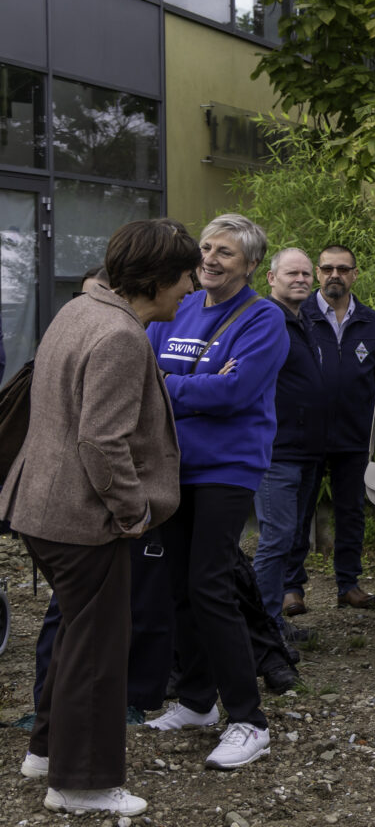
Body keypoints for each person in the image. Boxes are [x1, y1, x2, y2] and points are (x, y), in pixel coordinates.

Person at [3, 218, 197, 816]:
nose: (191, 288)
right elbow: (101, 440)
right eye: (186, 276)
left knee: (77, 640)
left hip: (40, 508)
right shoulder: (119, 335)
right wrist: (133, 509)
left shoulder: (78, 309)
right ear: (158, 278)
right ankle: (82, 783)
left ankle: (47, 751)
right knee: (97, 653)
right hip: (82, 519)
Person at [144, 213, 289, 770]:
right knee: (179, 585)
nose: (208, 258)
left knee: (210, 584)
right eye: (206, 247)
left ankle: (249, 720)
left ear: (250, 265)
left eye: (225, 252)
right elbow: (143, 373)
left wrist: (167, 383)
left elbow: (237, 393)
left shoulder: (263, 317)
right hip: (172, 465)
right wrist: (199, 382)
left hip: (227, 468)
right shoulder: (177, 307)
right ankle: (199, 701)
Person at [290, 244, 375, 616]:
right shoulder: (300, 316)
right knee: (300, 512)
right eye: (327, 268)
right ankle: (291, 587)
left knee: (351, 512)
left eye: (343, 269)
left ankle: (348, 584)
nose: (335, 275)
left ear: (354, 274)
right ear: (317, 273)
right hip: (306, 434)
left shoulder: (371, 321)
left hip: (353, 434)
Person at [249, 249, 326, 638]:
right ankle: (261, 630)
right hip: (276, 451)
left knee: (292, 539)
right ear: (271, 278)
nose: (300, 279)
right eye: (291, 273)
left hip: (307, 450)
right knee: (276, 539)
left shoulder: (304, 320)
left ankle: (273, 622)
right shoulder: (266, 320)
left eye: (306, 273)